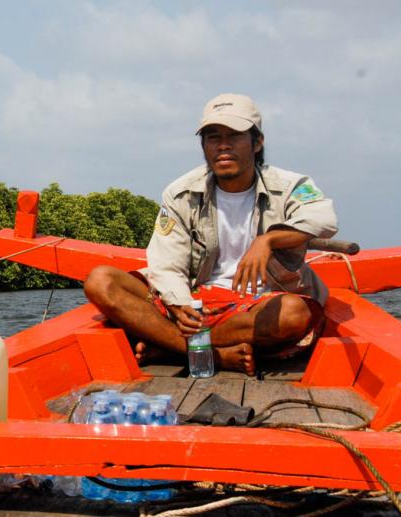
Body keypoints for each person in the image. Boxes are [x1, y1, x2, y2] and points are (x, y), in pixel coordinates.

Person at [84, 93, 337, 375]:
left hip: (255, 308)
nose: (223, 146)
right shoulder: (180, 193)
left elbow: (323, 219)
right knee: (101, 281)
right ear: (204, 146)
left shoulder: (290, 185)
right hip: (195, 300)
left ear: (257, 142)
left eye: (235, 136)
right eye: (213, 137)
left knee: (293, 314)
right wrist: (180, 306)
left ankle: (169, 346)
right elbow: (166, 264)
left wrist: (269, 240)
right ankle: (213, 356)